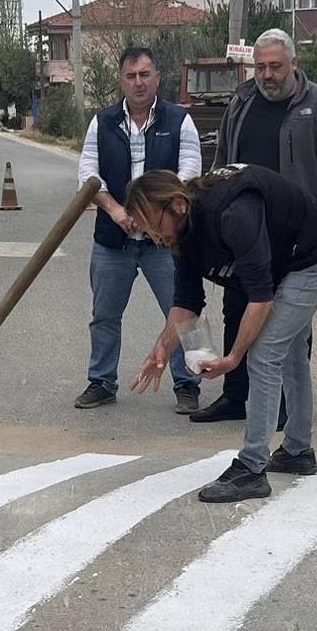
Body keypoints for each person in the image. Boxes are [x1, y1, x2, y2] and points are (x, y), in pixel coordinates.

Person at [127, 167, 317, 503]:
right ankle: (298, 451)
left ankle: (252, 469)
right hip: (281, 261)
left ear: (178, 205)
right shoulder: (180, 232)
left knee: (265, 354)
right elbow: (186, 302)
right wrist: (162, 349)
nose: (150, 234)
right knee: (291, 352)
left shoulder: (231, 213)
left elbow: (260, 298)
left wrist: (233, 358)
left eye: (151, 222)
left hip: (312, 257)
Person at [193, 28, 317, 426]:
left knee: (290, 325)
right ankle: (235, 395)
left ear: (294, 65)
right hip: (244, 234)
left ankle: (285, 406)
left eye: (276, 66)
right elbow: (224, 160)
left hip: (295, 238)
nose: (267, 75)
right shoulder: (242, 101)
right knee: (236, 310)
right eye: (261, 67)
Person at [75, 46, 204, 414]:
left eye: (145, 75)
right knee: (104, 315)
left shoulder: (180, 121)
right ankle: (101, 381)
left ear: (157, 78)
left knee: (186, 310)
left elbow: (190, 172)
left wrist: (153, 214)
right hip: (113, 239)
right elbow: (87, 174)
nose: (138, 83)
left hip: (166, 241)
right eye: (131, 76)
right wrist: (116, 210)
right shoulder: (103, 122)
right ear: (122, 81)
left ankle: (191, 383)